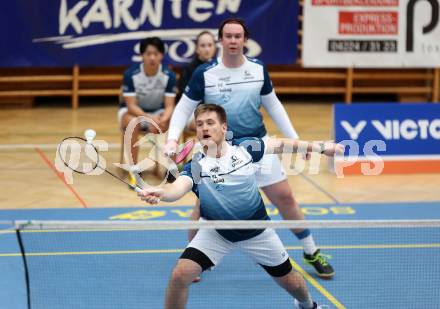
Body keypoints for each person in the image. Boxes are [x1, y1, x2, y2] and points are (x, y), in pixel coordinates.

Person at [163, 18, 335, 278]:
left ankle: (311, 250)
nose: (233, 41)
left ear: (245, 40)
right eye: (228, 36)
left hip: (257, 148)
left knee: (285, 198)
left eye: (238, 36)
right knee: (202, 209)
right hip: (218, 153)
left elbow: (274, 106)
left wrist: (296, 140)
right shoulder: (205, 73)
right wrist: (172, 139)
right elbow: (184, 108)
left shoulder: (257, 69)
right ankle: (194, 260)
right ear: (221, 40)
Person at [138, 104, 343, 309]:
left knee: (292, 282)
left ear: (224, 128)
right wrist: (161, 193)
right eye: (200, 124)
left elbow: (281, 145)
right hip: (217, 233)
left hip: (257, 231)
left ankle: (308, 305)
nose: (204, 128)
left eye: (210, 123)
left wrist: (322, 148)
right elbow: (178, 188)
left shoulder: (244, 148)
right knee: (180, 275)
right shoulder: (196, 165)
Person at [118, 36, 177, 184]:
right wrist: (148, 119)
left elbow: (170, 105)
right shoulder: (130, 74)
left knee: (175, 120)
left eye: (156, 54)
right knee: (133, 122)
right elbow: (131, 105)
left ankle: (171, 168)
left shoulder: (169, 75)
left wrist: (163, 119)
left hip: (158, 112)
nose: (152, 57)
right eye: (148, 53)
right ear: (142, 55)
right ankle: (134, 169)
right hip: (134, 113)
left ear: (161, 56)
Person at [177, 30, 217, 132]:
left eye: (210, 45)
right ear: (197, 49)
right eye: (203, 46)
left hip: (216, 111)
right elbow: (184, 98)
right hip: (193, 112)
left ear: (214, 47)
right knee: (209, 126)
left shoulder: (220, 67)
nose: (207, 49)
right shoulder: (188, 69)